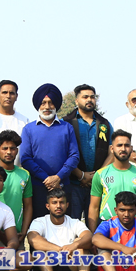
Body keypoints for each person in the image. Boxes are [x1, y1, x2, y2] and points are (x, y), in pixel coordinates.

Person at [21, 83, 80, 219]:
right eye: (43, 103)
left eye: (51, 102)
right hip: (38, 187)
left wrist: (58, 177)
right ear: (38, 105)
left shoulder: (67, 128)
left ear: (56, 105)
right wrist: (47, 179)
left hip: (63, 185)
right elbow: (25, 158)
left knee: (64, 225)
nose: (47, 107)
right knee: (38, 225)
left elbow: (74, 156)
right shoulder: (29, 129)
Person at [26, 188, 95, 271]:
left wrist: (74, 245)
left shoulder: (74, 222)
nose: (58, 206)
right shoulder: (39, 221)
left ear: (67, 205)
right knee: (39, 248)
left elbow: (89, 237)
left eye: (61, 202)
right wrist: (60, 249)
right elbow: (32, 239)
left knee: (81, 244)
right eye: (54, 203)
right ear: (48, 206)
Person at [62, 84, 114, 220]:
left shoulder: (105, 124)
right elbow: (62, 152)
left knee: (96, 223)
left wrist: (97, 175)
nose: (89, 100)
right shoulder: (65, 123)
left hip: (97, 184)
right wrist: (81, 175)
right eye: (85, 97)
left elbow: (112, 151)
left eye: (92, 97)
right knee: (72, 222)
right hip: (73, 183)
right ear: (76, 101)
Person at [88, 129, 136, 230]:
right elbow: (94, 207)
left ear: (131, 149)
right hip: (109, 229)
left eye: (127, 145)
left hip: (134, 229)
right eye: (119, 145)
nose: (123, 149)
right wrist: (92, 234)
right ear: (112, 149)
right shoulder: (100, 174)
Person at [0, 130, 34, 248]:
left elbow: (28, 206)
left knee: (20, 259)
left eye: (12, 148)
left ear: (17, 151)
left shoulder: (25, 174)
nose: (9, 152)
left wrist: (24, 232)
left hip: (16, 235)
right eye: (5, 148)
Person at [0, 79, 31, 165]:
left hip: (17, 170)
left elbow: (27, 149)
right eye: (4, 92)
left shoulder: (24, 121)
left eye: (11, 93)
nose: (8, 96)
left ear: (16, 96)